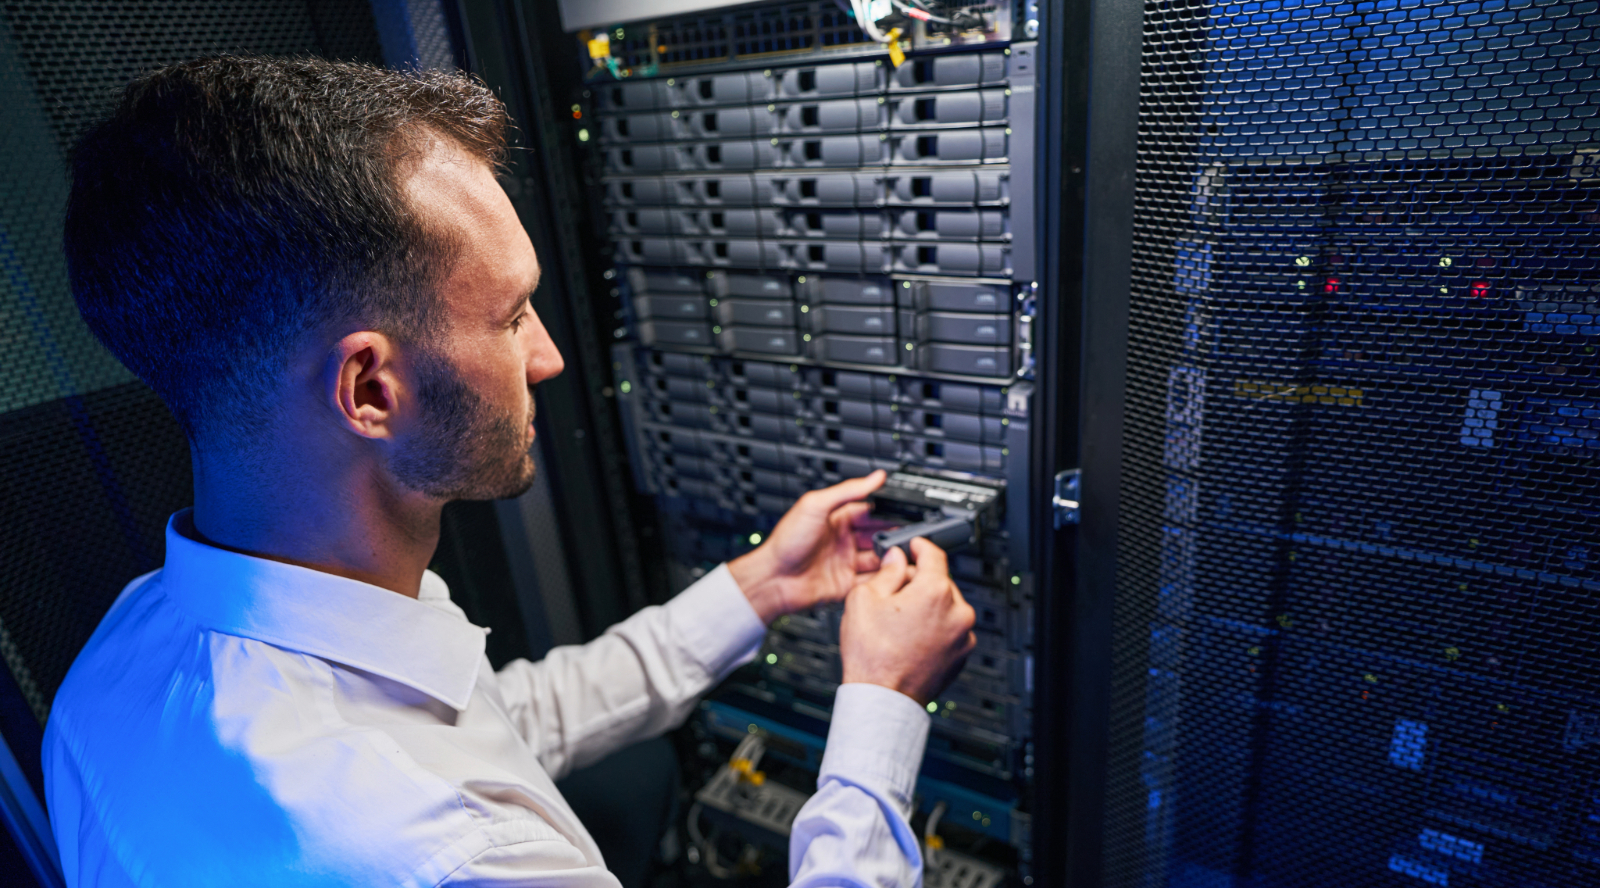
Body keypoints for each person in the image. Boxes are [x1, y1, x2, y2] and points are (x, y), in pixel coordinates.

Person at [44, 56, 976, 886]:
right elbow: (455, 808)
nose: (550, 357)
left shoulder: (127, 652)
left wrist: (760, 587)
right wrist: (881, 712)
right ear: (370, 389)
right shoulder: (447, 855)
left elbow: (494, 733)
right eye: (511, 316)